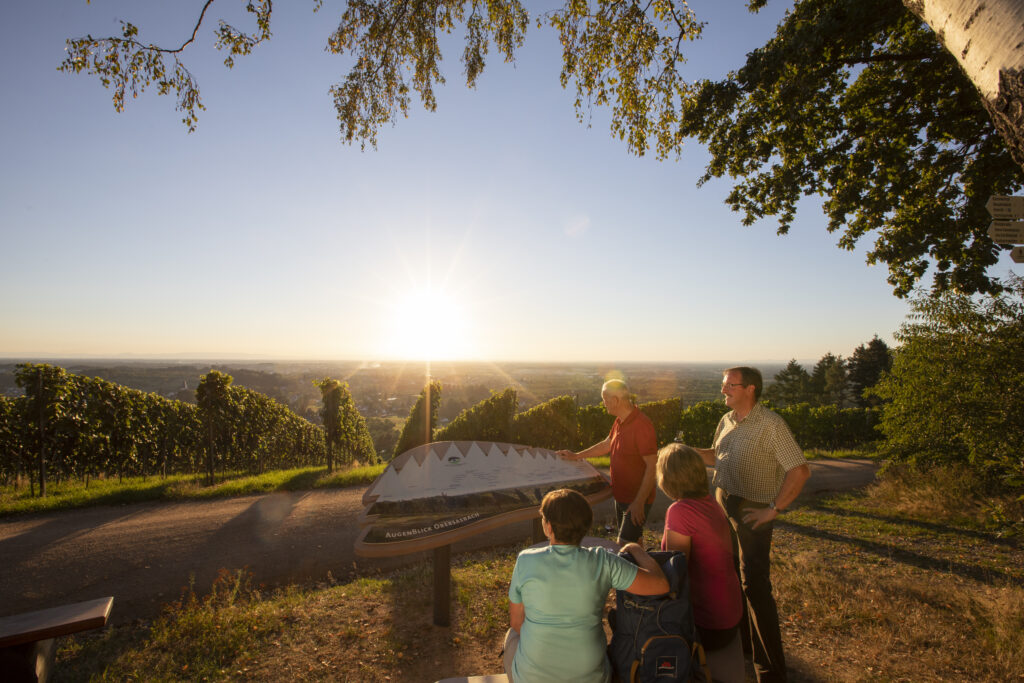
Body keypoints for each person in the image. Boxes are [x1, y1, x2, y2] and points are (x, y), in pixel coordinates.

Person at [686, 366, 811, 683]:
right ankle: (741, 643)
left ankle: (770, 670)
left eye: (729, 385)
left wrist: (773, 510)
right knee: (729, 574)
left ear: (750, 389)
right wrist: (685, 454)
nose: (723, 390)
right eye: (723, 384)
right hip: (724, 502)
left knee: (755, 586)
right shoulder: (726, 420)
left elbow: (799, 471)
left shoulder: (771, 425)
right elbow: (717, 455)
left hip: (753, 509)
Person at [504, 488, 669, 683]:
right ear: (586, 526)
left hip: (533, 678)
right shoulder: (603, 561)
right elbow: (661, 585)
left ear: (548, 527)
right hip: (591, 677)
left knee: (511, 635)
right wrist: (636, 549)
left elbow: (517, 622)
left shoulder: (526, 561)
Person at [657, 443, 744, 683]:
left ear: (668, 477)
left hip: (709, 624)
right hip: (731, 614)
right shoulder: (709, 502)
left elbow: (674, 571)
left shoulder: (679, 511)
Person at [557, 379, 657, 544]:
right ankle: (643, 567)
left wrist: (639, 502)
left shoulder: (642, 425)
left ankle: (642, 569)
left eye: (605, 399)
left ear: (616, 400)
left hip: (636, 499)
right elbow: (607, 444)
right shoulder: (620, 421)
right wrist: (576, 456)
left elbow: (652, 466)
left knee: (624, 545)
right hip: (622, 496)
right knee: (634, 542)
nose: (603, 403)